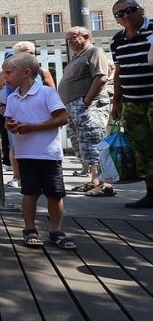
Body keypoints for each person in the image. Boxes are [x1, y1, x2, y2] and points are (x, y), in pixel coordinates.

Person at [2, 52, 75, 249]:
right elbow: (9, 121)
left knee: (55, 193)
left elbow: (62, 118)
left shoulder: (47, 93)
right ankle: (29, 228)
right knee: (30, 193)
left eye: (8, 72)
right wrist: (12, 126)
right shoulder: (13, 98)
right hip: (25, 153)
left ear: (26, 73)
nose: (5, 77)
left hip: (48, 154)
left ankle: (56, 230)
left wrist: (32, 127)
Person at [0, 41, 54, 189]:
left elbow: (53, 92)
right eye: (26, 51)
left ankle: (41, 176)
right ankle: (18, 176)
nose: (30, 54)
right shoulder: (6, 73)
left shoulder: (42, 71)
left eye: (32, 52)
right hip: (16, 114)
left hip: (39, 114)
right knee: (15, 146)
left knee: (40, 142)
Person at [58, 27, 113, 197]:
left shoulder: (94, 51)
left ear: (86, 36)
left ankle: (106, 184)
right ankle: (95, 181)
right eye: (68, 39)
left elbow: (101, 77)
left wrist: (86, 101)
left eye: (73, 37)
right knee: (84, 144)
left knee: (94, 142)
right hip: (75, 106)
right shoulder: (78, 56)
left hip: (90, 106)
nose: (70, 41)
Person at [110, 0, 153, 208]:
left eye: (130, 10)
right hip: (132, 103)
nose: (126, 15)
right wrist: (116, 103)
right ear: (116, 20)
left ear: (141, 10)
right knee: (141, 149)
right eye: (120, 13)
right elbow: (119, 72)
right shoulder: (117, 40)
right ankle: (151, 193)